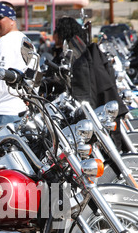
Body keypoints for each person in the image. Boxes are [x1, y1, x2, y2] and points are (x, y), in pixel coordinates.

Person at [53, 16, 128, 150]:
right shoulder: (79, 48)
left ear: (63, 33)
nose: (54, 35)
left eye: (56, 31)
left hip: (92, 104)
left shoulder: (73, 53)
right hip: (103, 101)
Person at [0, 1, 27, 126]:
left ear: (12, 19)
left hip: (2, 113)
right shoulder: (26, 41)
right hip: (22, 111)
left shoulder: (5, 41)